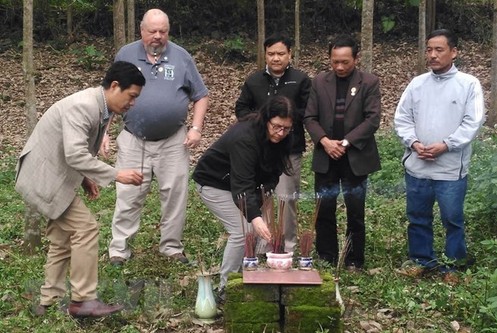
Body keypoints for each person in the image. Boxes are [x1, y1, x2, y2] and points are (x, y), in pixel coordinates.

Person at [15, 61, 146, 317]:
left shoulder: (99, 106)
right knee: (86, 228)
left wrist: (86, 177)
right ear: (115, 86)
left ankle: (47, 301)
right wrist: (117, 174)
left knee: (62, 239)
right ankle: (83, 300)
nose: (133, 103)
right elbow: (75, 155)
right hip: (45, 179)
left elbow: (74, 150)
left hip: (52, 175)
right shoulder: (84, 106)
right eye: (131, 96)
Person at [107, 8, 209, 265]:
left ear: (168, 31)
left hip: (173, 140)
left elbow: (200, 95)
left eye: (162, 31)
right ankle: (119, 250)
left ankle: (171, 247)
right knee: (128, 195)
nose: (157, 36)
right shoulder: (126, 54)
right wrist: (103, 132)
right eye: (152, 31)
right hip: (133, 138)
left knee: (175, 196)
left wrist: (196, 128)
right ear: (142, 31)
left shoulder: (182, 57)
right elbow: (109, 95)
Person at [394, 29, 484, 277]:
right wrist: (413, 142)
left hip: (450, 167)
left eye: (439, 50)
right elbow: (402, 118)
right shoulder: (417, 84)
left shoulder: (468, 84)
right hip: (418, 165)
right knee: (417, 216)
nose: (432, 55)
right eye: (429, 50)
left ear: (454, 52)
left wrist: (446, 144)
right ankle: (422, 261)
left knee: (452, 218)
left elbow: (472, 122)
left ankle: (454, 266)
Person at [193, 95, 294, 295]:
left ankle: (247, 276)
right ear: (266, 119)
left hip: (240, 185)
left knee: (254, 229)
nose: (281, 133)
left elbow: (273, 171)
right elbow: (242, 184)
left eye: (286, 128)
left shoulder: (282, 136)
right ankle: (227, 287)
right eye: (276, 126)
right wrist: (255, 217)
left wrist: (263, 199)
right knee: (243, 230)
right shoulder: (245, 138)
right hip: (214, 182)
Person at [303, 34, 381, 271]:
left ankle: (354, 259)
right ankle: (326, 256)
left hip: (355, 157)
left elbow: (373, 119)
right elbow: (309, 116)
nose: (339, 66)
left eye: (345, 62)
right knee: (324, 208)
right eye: (335, 61)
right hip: (326, 156)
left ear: (356, 58)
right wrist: (325, 141)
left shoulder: (369, 82)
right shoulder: (319, 82)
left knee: (355, 211)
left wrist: (345, 143)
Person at [235, 33, 311, 252]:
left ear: (290, 54)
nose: (276, 58)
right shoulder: (253, 81)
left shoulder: (301, 79)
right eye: (271, 54)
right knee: (263, 198)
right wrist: (260, 124)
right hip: (260, 149)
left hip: (290, 149)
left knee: (286, 199)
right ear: (264, 55)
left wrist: (284, 124)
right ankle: (265, 246)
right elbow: (241, 108)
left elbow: (309, 110)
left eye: (281, 54)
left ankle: (288, 247)